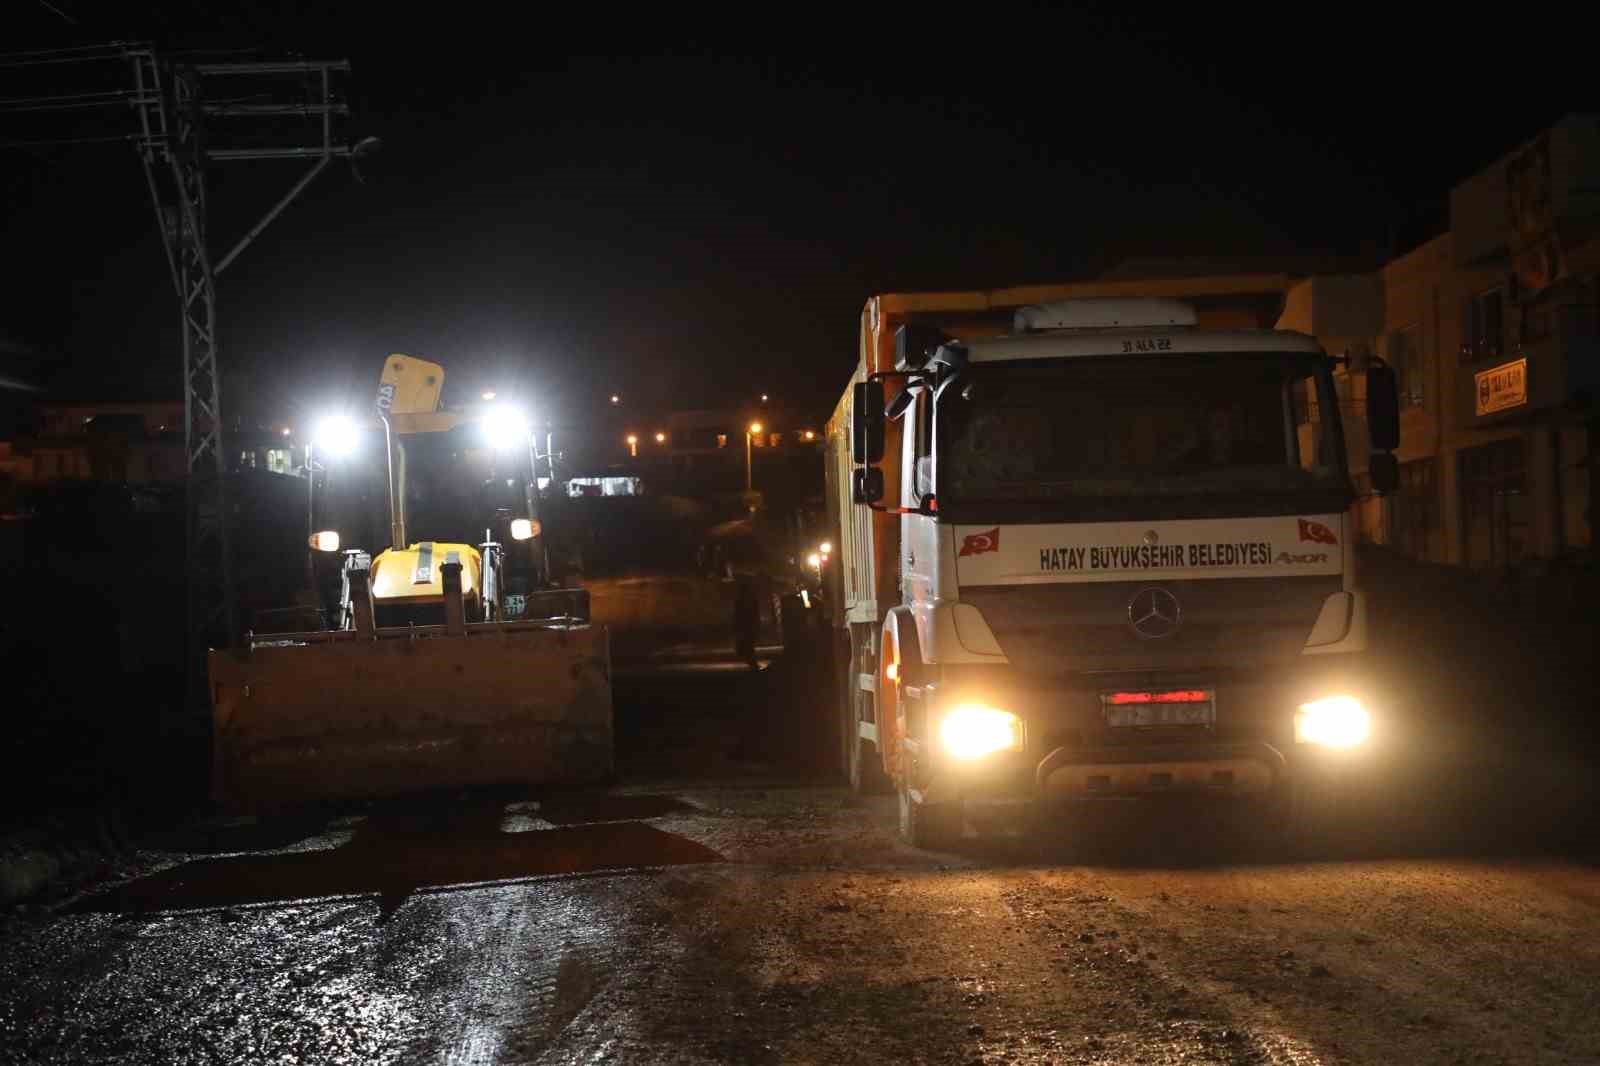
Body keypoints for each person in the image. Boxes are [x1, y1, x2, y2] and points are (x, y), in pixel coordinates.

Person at [1175, 401, 1281, 468]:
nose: (1225, 431)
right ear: (1208, 429)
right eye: (1218, 425)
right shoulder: (1193, 460)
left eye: (1229, 425)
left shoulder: (1250, 458)